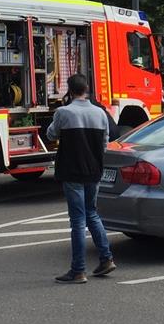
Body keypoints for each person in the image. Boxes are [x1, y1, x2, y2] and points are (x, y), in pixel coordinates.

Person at [46, 73, 115, 284]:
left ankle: (78, 270)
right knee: (92, 214)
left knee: (77, 220)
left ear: (69, 90)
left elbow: (51, 134)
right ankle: (106, 259)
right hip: (94, 170)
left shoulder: (64, 112)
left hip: (72, 171)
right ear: (86, 89)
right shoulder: (100, 113)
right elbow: (104, 143)